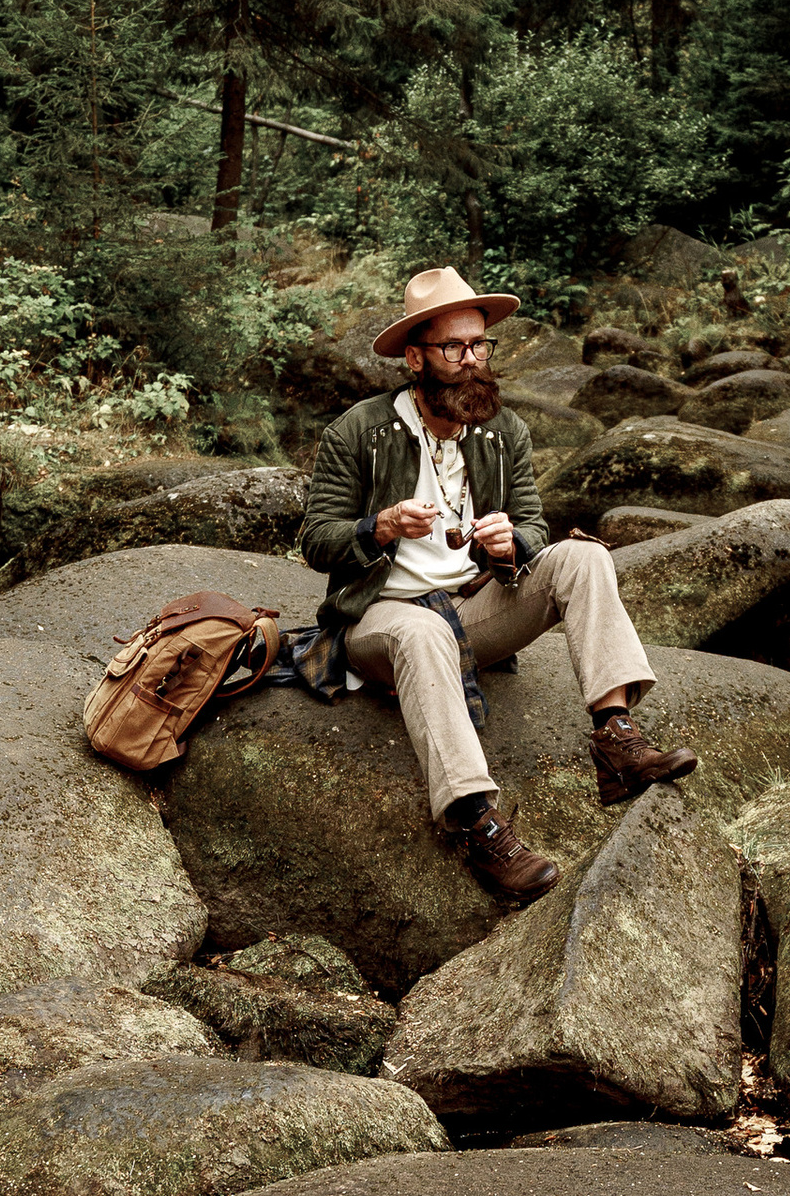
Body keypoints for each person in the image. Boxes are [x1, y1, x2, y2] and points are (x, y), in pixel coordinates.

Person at [297, 265, 697, 901]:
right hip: (381, 619)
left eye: (480, 345)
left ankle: (617, 740)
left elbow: (534, 521)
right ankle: (475, 823)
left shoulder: (503, 431)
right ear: (414, 358)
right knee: (422, 629)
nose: (472, 361)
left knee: (584, 558)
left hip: (473, 609)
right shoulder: (359, 432)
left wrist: (516, 543)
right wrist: (380, 526)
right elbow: (316, 540)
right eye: (454, 348)